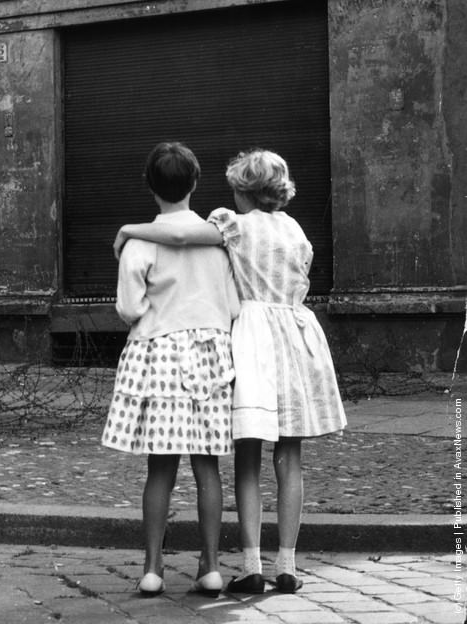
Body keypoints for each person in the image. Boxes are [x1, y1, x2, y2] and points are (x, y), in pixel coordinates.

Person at [113, 149, 347, 595]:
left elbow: (180, 239)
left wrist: (127, 229)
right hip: (296, 337)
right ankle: (288, 564)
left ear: (242, 190)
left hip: (255, 338)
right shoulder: (296, 231)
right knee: (290, 455)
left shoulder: (232, 225)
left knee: (246, 454)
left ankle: (250, 563)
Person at [102, 142, 240, 598]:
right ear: (196, 183)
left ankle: (153, 567)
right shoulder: (218, 240)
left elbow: (128, 308)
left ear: (149, 187)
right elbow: (233, 303)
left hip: (158, 356)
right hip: (208, 357)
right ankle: (212, 566)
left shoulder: (139, 243)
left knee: (159, 468)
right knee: (208, 467)